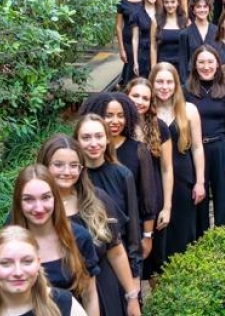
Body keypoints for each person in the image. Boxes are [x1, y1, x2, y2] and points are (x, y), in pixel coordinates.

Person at [37, 135, 141, 316]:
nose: (66, 171)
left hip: (100, 291)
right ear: (45, 165)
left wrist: (131, 295)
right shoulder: (33, 207)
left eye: (73, 165)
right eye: (58, 164)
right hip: (51, 295)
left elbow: (116, 251)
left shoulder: (97, 200)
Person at [8, 165, 100, 316]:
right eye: (28, 199)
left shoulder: (79, 238)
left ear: (55, 198)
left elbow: (90, 296)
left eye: (45, 197)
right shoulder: (9, 243)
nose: (38, 208)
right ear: (18, 202)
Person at [78, 93, 161, 273]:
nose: (115, 121)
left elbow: (146, 198)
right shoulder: (79, 161)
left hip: (126, 234)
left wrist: (147, 235)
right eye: (108, 115)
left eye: (121, 115)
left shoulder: (136, 152)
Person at [74, 115, 142, 280]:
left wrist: (135, 274)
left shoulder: (122, 175)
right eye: (86, 137)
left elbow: (133, 228)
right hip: (81, 264)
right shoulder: (72, 177)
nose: (93, 143)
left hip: (118, 260)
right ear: (76, 141)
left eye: (99, 136)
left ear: (108, 139)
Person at [149, 62, 206, 258]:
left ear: (176, 84)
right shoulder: (146, 112)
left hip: (183, 176)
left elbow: (197, 147)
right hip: (156, 175)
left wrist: (200, 182)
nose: (164, 87)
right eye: (159, 82)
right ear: (152, 83)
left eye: (169, 82)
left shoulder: (189, 110)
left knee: (182, 229)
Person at [123, 78, 174, 278]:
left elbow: (167, 169)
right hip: (127, 200)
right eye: (135, 96)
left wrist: (167, 207)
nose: (139, 101)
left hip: (154, 201)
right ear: (126, 96)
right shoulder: (117, 127)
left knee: (156, 262)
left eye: (145, 98)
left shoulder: (160, 127)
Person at [185, 45, 225, 232]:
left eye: (210, 62)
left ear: (218, 64)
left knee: (223, 200)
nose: (206, 66)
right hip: (194, 151)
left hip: (220, 149)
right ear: (195, 65)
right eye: (201, 62)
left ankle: (222, 240)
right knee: (198, 198)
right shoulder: (185, 91)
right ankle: (200, 240)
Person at [179, 0, 218, 81]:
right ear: (193, 10)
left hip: (213, 79)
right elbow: (183, 62)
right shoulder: (185, 33)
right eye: (198, 7)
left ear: (209, 8)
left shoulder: (217, 31)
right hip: (192, 80)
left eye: (205, 6)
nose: (202, 9)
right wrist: (185, 84)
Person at [116, 0, 142, 85]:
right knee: (130, 67)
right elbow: (118, 26)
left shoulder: (146, 1)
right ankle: (127, 89)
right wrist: (121, 49)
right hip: (128, 41)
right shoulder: (122, 3)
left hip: (144, 39)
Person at [130, 0, 160, 79]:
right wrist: (135, 62)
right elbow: (135, 39)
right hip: (144, 54)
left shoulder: (162, 12)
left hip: (160, 52)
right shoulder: (137, 14)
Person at [153, 0, 186, 69]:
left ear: (178, 2)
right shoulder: (156, 21)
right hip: (162, 65)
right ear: (163, 3)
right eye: (166, 2)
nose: (170, 5)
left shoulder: (185, 21)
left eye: (173, 2)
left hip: (181, 66)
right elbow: (153, 47)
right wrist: (153, 68)